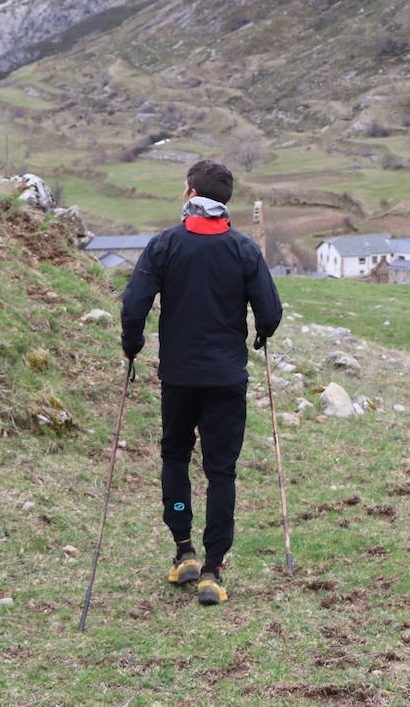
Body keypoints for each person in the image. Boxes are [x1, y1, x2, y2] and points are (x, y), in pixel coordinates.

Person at [120, 160, 282, 605]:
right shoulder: (243, 249)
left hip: (179, 377)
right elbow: (270, 312)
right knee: (220, 470)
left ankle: (182, 549)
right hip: (226, 377)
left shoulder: (165, 244)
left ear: (190, 194)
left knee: (175, 458)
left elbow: (135, 304)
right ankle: (214, 569)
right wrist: (260, 335)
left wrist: (131, 346)